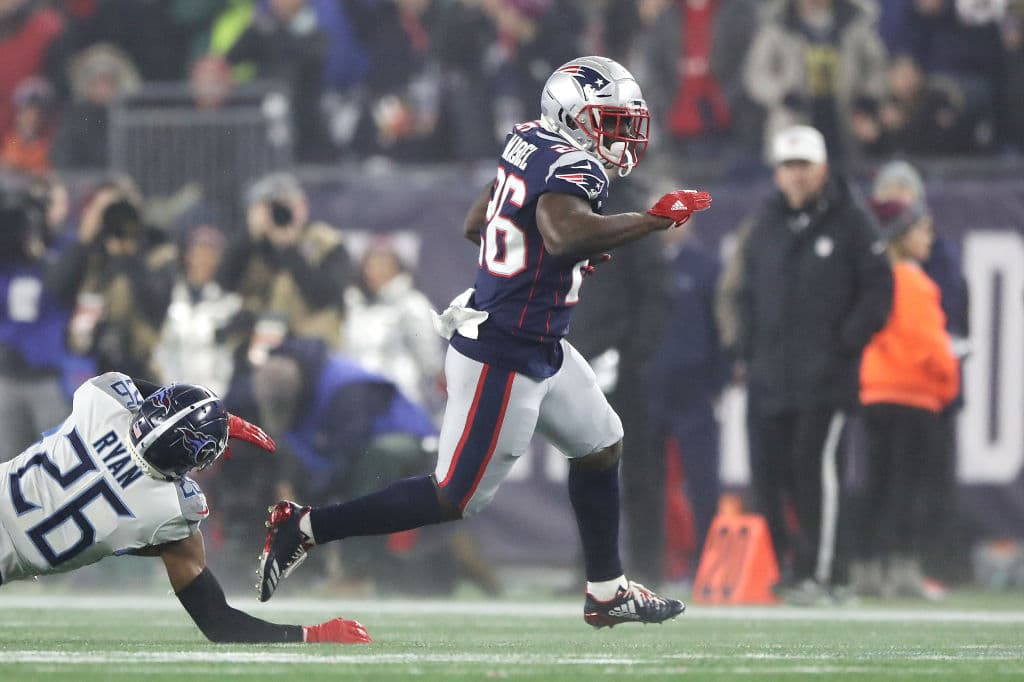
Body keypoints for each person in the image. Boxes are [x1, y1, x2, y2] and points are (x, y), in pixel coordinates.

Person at [256, 55, 711, 627]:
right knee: (455, 497)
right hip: (505, 350)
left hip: (540, 341)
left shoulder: (527, 139)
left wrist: (538, 259)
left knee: (601, 443)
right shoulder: (577, 168)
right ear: (571, 117)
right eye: (609, 120)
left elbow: (481, 222)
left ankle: (606, 590)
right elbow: (563, 232)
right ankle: (304, 526)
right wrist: (651, 219)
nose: (621, 135)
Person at [0, 372, 370, 645]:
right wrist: (311, 635)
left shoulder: (98, 402)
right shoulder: (171, 511)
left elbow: (143, 393)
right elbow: (219, 623)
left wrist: (215, 416)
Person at [734, 124, 892, 604]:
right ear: (777, 173)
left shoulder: (852, 222)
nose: (796, 175)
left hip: (826, 380)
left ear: (822, 168)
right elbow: (745, 293)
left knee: (814, 474)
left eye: (803, 165)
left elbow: (879, 292)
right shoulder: (764, 224)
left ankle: (823, 573)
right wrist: (745, 350)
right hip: (769, 377)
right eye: (787, 166)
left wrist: (843, 344)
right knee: (769, 477)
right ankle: (789, 568)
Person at [855, 198, 959, 599]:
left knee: (875, 484)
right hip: (913, 395)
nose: (928, 237)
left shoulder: (875, 278)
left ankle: (865, 569)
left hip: (875, 391)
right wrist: (948, 384)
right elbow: (930, 345)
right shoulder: (914, 282)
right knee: (906, 487)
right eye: (922, 229)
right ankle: (901, 569)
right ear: (902, 235)